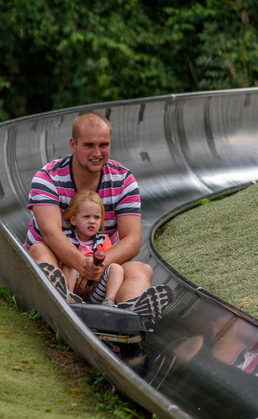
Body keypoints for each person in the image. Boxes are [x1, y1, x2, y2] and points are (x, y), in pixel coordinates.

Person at [24, 112, 173, 318]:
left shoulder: (123, 180)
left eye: (103, 145)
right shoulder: (48, 177)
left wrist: (96, 267)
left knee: (141, 269)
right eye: (89, 145)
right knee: (40, 249)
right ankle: (56, 297)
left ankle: (129, 312)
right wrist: (81, 264)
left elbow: (133, 239)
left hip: (98, 272)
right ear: (73, 145)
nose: (97, 152)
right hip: (61, 264)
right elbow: (50, 232)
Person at [61, 190, 124, 307]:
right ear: (73, 220)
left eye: (96, 217)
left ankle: (109, 301)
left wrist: (95, 272)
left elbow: (106, 265)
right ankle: (68, 297)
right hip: (74, 285)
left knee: (116, 268)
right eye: (86, 217)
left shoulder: (103, 240)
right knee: (70, 264)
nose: (92, 221)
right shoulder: (66, 237)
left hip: (95, 289)